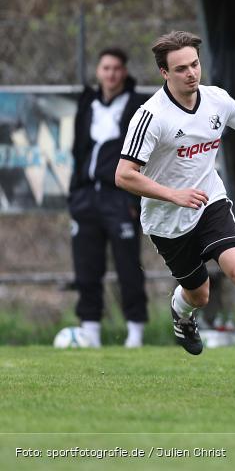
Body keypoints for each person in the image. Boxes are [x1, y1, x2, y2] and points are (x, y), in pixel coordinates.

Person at [115, 30, 235, 379]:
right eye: (181, 69)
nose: (191, 73)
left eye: (194, 64)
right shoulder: (151, 116)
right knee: (199, 294)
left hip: (210, 202)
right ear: (164, 73)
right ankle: (182, 314)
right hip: (166, 220)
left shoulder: (217, 100)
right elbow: (124, 175)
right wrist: (173, 194)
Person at [69, 47, 148, 348]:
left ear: (124, 72)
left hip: (120, 198)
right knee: (86, 266)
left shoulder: (139, 105)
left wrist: (134, 199)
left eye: (117, 68)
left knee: (128, 267)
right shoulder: (87, 104)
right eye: (106, 68)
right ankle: (90, 332)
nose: (111, 74)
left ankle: (135, 333)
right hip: (86, 198)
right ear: (98, 71)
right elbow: (77, 150)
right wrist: (74, 194)